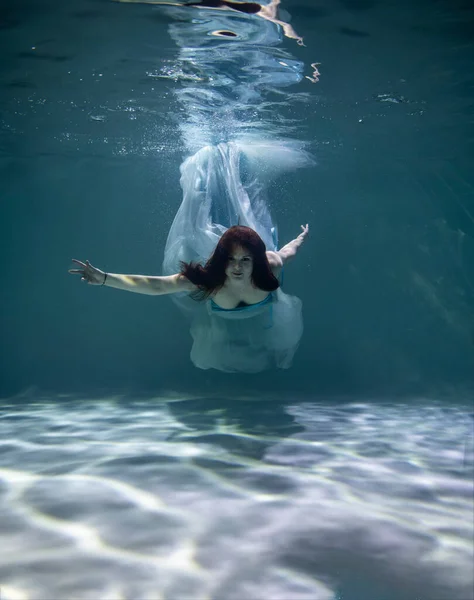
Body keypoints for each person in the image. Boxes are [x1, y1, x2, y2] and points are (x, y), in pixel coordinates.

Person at [69, 223, 308, 372]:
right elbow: (157, 286)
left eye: (245, 259)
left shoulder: (270, 266)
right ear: (221, 260)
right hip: (221, 322)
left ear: (255, 261)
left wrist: (300, 237)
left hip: (264, 316)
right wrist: (104, 278)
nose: (237, 267)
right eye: (231, 259)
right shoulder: (208, 280)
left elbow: (288, 251)